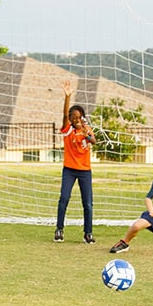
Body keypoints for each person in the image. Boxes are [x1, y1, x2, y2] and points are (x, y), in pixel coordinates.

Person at [54, 80, 96, 244]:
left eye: (79, 117)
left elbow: (93, 141)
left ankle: (88, 233)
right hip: (69, 170)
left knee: (88, 203)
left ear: (83, 118)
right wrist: (67, 97)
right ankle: (59, 229)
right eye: (74, 117)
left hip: (85, 171)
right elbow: (64, 115)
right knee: (64, 199)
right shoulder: (68, 130)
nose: (77, 119)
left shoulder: (86, 130)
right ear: (70, 119)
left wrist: (86, 133)